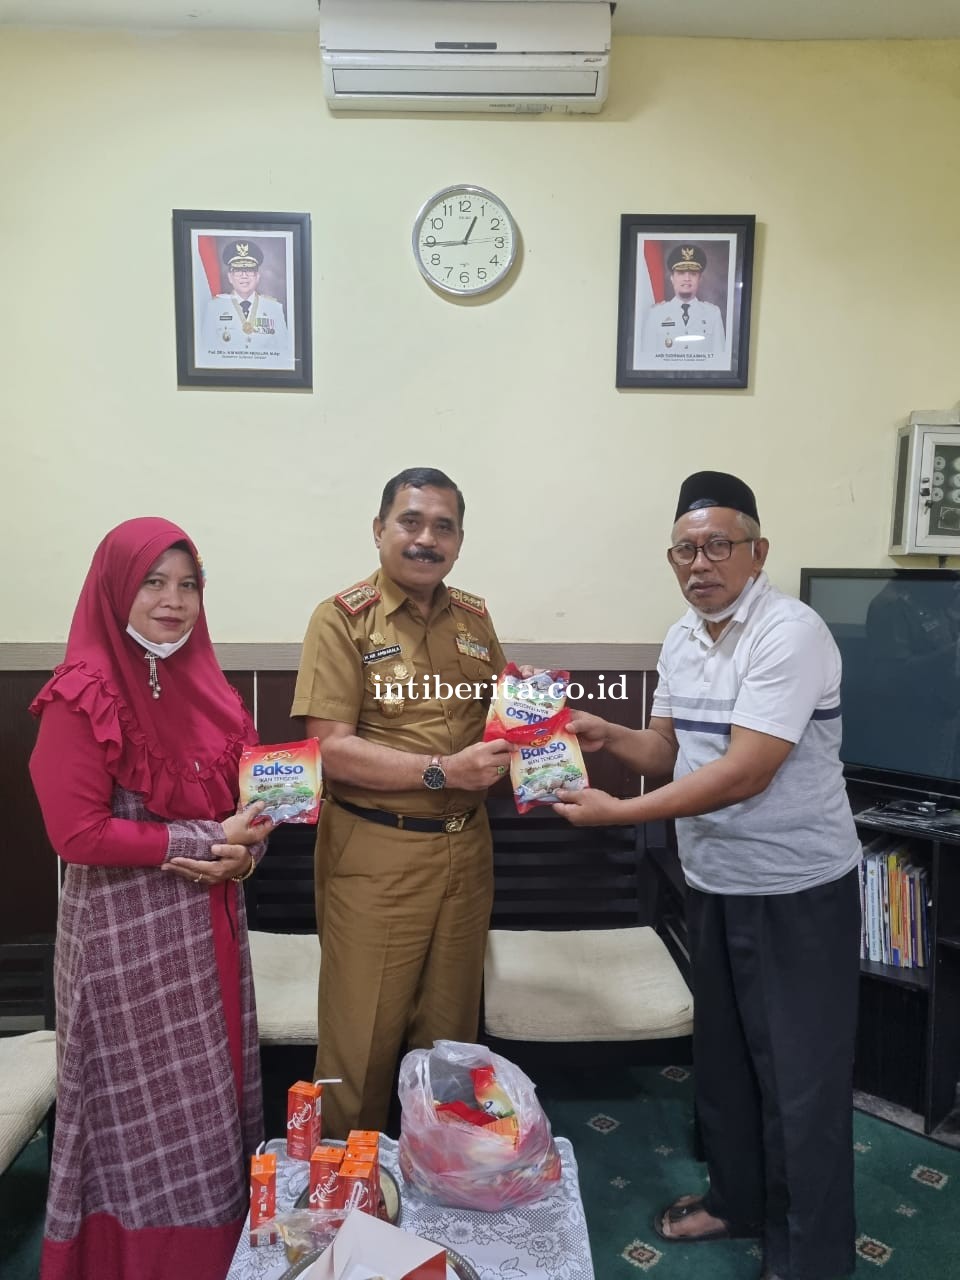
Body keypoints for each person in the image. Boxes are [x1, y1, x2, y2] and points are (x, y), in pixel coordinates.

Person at [554, 472, 862, 1280]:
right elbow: (669, 752)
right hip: (716, 881)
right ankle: (737, 1201)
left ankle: (812, 1258)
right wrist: (604, 732)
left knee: (801, 1082)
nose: (702, 562)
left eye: (720, 545)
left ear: (758, 552)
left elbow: (745, 771)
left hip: (798, 889)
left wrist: (617, 816)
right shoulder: (682, 635)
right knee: (724, 1063)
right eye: (686, 549)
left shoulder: (789, 634)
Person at [29, 517, 272, 1280]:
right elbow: (76, 834)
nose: (174, 602)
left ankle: (214, 1256)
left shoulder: (212, 691)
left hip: (209, 933)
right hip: (122, 950)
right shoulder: (84, 693)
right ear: (114, 590)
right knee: (138, 1119)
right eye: (152, 583)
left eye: (188, 583)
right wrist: (202, 843)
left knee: (208, 1104)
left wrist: (247, 847)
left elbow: (249, 804)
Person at [291, 467, 511, 1138]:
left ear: (460, 539)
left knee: (450, 1040)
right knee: (360, 1040)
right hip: (376, 852)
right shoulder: (341, 620)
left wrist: (548, 744)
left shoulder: (474, 618)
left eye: (443, 526)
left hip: (466, 852)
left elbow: (506, 720)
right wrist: (444, 771)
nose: (426, 539)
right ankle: (345, 1198)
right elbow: (331, 747)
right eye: (411, 522)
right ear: (380, 530)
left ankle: (439, 1179)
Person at [200, 239, 290, 359]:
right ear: (230, 277)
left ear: (257, 276)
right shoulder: (214, 308)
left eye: (249, 270)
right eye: (237, 270)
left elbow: (284, 354)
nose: (244, 276)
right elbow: (207, 353)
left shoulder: (274, 308)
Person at [641, 244, 725, 358]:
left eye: (693, 274)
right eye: (681, 273)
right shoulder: (656, 314)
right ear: (672, 278)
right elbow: (648, 359)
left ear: (700, 279)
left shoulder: (713, 314)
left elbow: (719, 359)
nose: (687, 278)